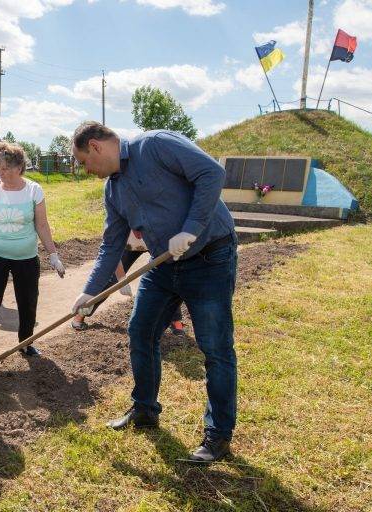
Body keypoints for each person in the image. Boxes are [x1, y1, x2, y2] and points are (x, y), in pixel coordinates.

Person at [70, 121, 237, 463]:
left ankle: (218, 435)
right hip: (163, 264)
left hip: (209, 256)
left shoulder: (157, 145)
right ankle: (145, 409)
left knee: (215, 348)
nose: (87, 170)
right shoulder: (113, 190)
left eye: (84, 161)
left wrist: (191, 228)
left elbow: (212, 174)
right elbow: (112, 245)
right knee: (140, 332)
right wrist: (90, 294)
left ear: (96, 146)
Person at [0, 142, 66, 366]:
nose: (2, 172)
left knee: (28, 301)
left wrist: (53, 255)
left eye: (7, 167)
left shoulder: (33, 190)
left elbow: (42, 225)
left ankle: (26, 343)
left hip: (26, 257)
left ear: (20, 167)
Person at [71, 230, 187, 335]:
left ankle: (175, 320)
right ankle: (81, 314)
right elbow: (112, 253)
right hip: (129, 245)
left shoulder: (157, 215)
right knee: (112, 279)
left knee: (168, 275)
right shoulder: (120, 215)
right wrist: (122, 279)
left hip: (157, 241)